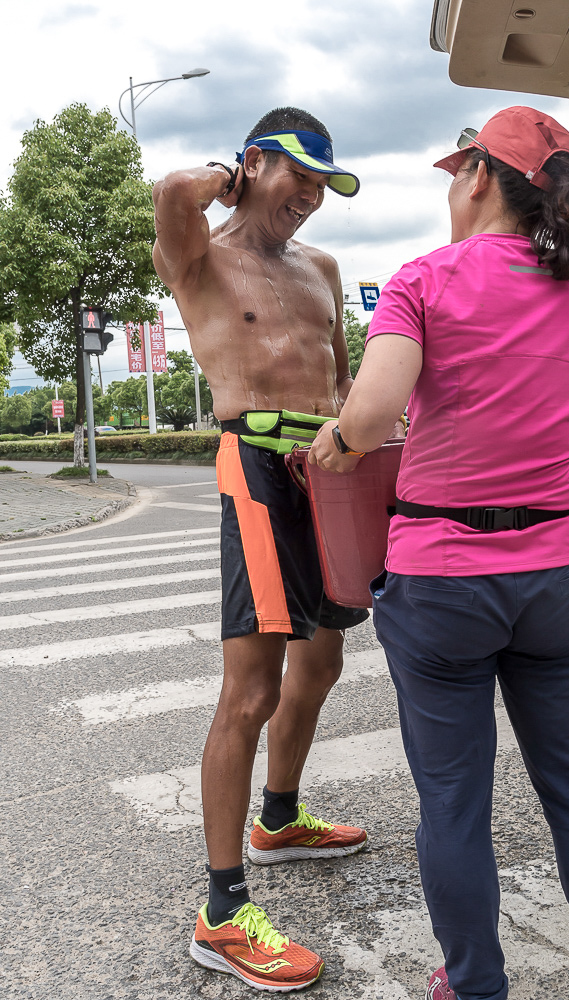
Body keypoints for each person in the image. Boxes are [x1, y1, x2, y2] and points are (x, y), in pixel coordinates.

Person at [309, 107, 569, 1000]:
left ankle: (474, 982)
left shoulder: (425, 279)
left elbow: (371, 416)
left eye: (456, 174)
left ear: (479, 176)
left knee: (453, 800)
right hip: (553, 574)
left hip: (443, 578)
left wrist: (333, 444)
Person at [152, 107, 369, 992]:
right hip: (256, 469)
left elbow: (342, 373)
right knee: (252, 690)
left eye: (323, 185)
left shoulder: (322, 268)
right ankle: (222, 911)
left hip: (330, 471)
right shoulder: (197, 257)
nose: (310, 197)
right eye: (297, 176)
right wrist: (223, 180)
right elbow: (173, 192)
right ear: (250, 164)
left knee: (323, 660)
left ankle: (278, 818)